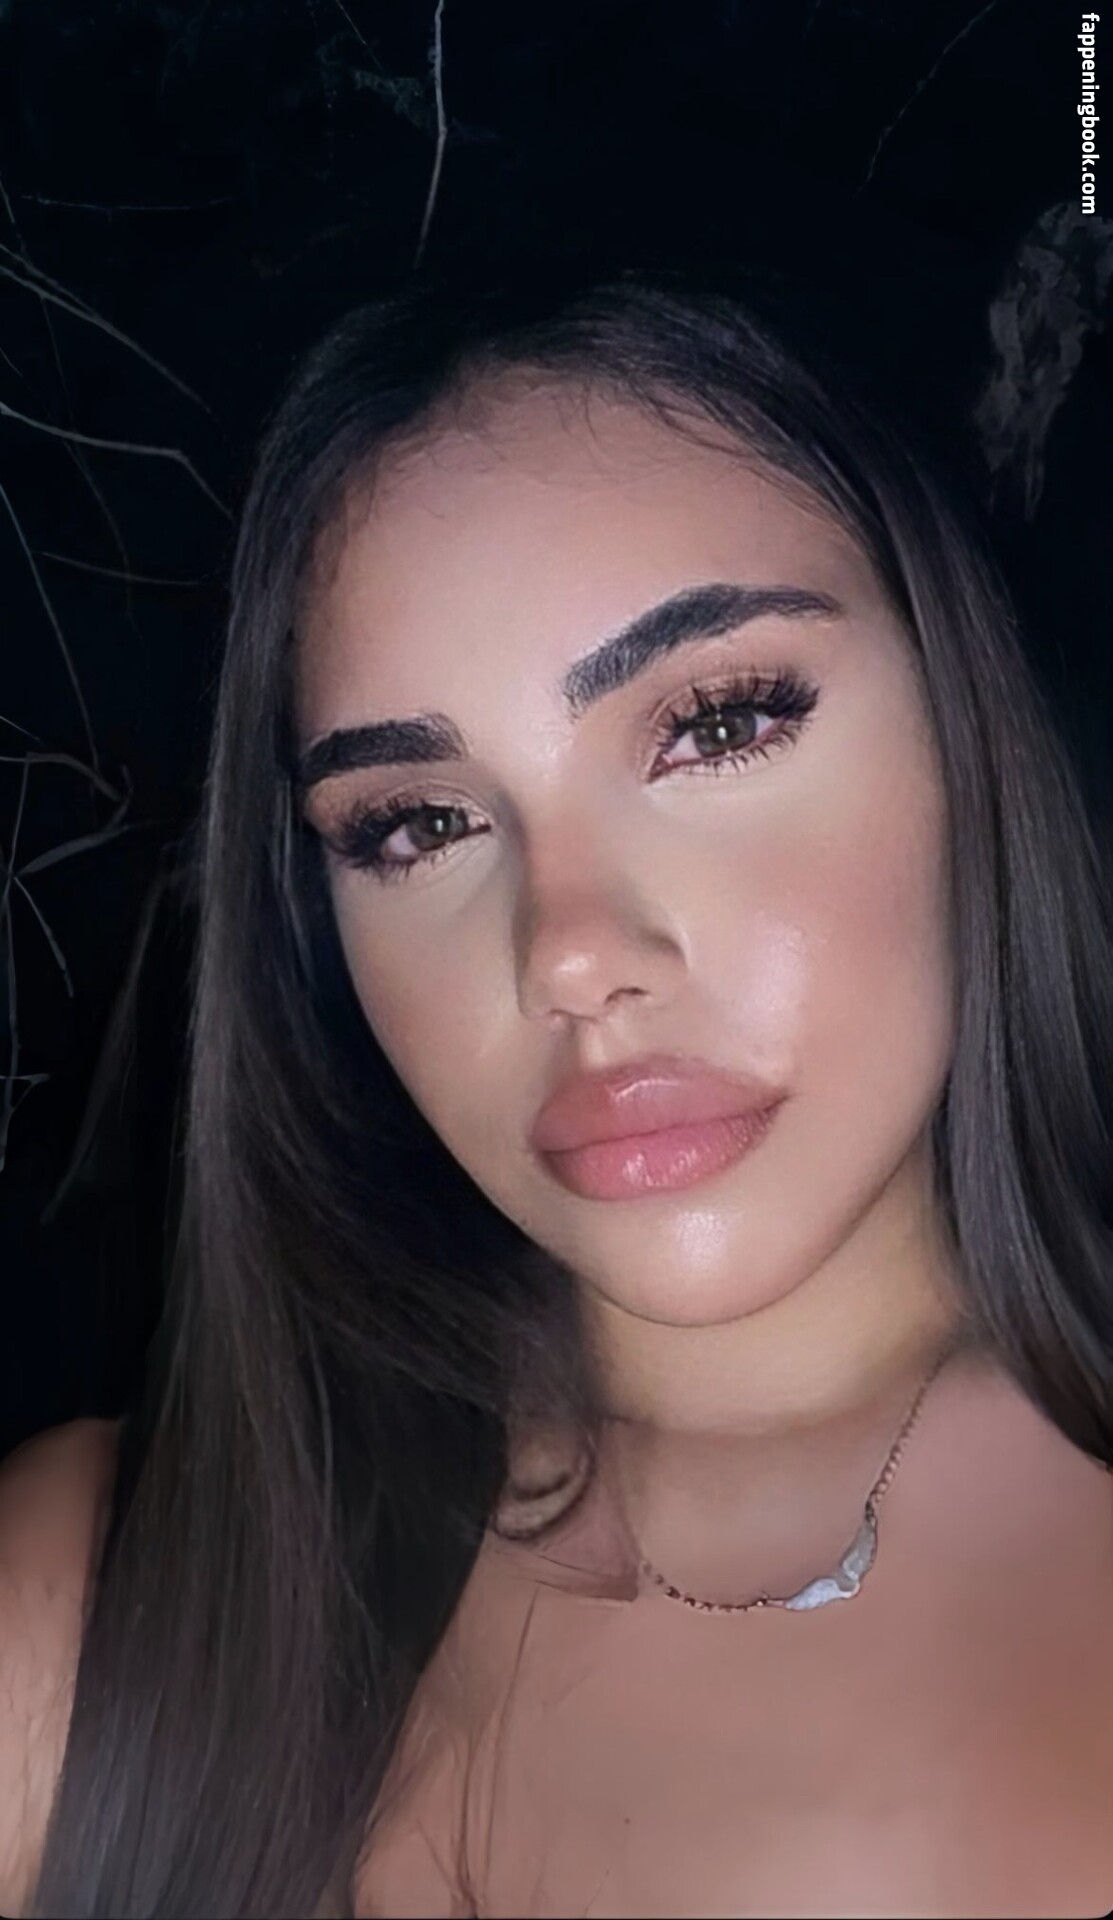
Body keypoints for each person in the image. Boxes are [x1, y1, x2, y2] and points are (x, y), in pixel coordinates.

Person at [1, 260, 1110, 1919]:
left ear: (975, 718)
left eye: (715, 726)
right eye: (417, 823)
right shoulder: (97, 1618)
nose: (569, 955)